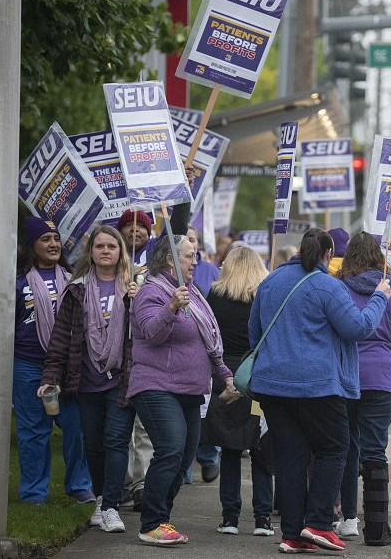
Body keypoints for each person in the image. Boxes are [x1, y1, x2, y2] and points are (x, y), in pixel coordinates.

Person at [248, 227, 391, 553]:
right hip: (316, 387)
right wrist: (380, 295)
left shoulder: (268, 283)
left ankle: (293, 534)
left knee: (291, 458)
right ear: (328, 254)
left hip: (271, 386)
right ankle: (320, 524)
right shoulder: (328, 285)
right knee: (334, 447)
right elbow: (358, 327)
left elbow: (254, 334)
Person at [128, 233, 234, 545]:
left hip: (189, 390)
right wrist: (171, 306)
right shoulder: (151, 292)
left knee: (185, 456)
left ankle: (162, 517)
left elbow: (206, 339)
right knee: (171, 449)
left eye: (195, 254)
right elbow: (150, 333)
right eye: (189, 255)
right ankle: (151, 522)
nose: (195, 261)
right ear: (168, 260)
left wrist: (224, 375)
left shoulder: (194, 293)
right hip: (156, 386)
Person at [38, 225, 139, 533]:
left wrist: (139, 302)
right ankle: (100, 500)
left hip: (122, 379)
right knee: (93, 445)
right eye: (99, 246)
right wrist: (50, 376)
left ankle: (111, 506)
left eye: (111, 246)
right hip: (86, 381)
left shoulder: (134, 289)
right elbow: (60, 338)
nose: (105, 250)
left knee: (117, 441)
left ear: (121, 252)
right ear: (91, 252)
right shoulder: (77, 289)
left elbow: (148, 333)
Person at [335, 232, 391, 545]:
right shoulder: (390, 285)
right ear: (378, 256)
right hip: (380, 378)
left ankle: (348, 520)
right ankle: (378, 530)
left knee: (344, 447)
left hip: (345, 375)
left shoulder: (338, 286)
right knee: (374, 452)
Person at [117, 185, 192, 511]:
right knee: (127, 432)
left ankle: (145, 488)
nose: (135, 232)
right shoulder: (121, 268)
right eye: (129, 228)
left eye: (142, 228)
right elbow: (148, 327)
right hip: (124, 361)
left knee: (154, 437)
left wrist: (182, 193)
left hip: (161, 368)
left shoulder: (156, 268)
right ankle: (136, 491)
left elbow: (174, 231)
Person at [12, 217, 94, 505]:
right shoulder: (18, 280)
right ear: (31, 245)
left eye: (56, 238)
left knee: (77, 427)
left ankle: (80, 486)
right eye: (45, 239)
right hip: (28, 366)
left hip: (66, 369)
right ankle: (34, 493)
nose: (53, 244)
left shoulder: (74, 280)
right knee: (34, 431)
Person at [202, 246, 274, 536]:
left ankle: (230, 517)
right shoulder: (265, 296)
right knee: (259, 447)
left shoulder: (214, 296)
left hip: (224, 377)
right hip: (256, 377)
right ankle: (263, 519)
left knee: (229, 447)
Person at [183, 226, 222, 485]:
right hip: (181, 354)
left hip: (207, 351)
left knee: (205, 412)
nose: (191, 246)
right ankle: (183, 471)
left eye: (193, 240)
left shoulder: (210, 271)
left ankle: (208, 457)